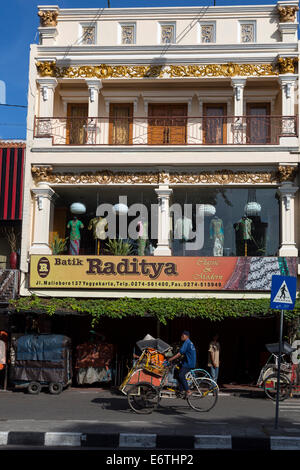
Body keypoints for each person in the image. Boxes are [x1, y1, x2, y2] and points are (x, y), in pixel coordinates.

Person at [168, 331, 196, 398]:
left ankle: (188, 391)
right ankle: (181, 390)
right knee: (176, 370)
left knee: (181, 375)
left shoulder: (187, 343)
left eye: (182, 336)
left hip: (189, 363)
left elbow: (179, 353)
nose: (181, 337)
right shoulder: (189, 342)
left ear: (186, 336)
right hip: (186, 362)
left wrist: (170, 359)